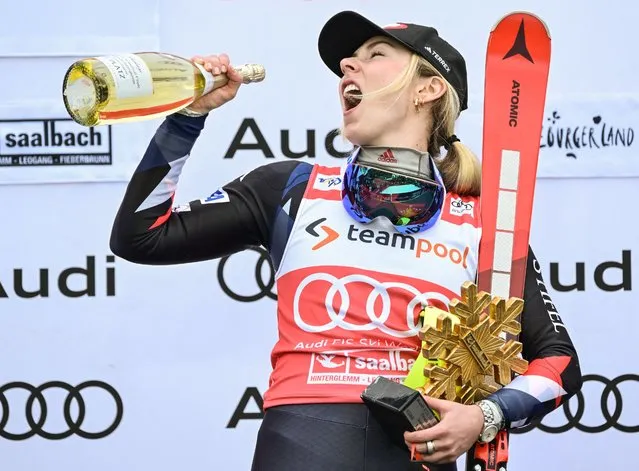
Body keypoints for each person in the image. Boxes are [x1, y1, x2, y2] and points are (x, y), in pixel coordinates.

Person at [110, 10, 582, 471]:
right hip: (300, 436)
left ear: (429, 88)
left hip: (418, 448)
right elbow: (141, 236)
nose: (346, 68)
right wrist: (189, 116)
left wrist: (485, 416)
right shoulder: (290, 187)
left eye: (374, 54)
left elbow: (558, 361)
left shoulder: (481, 217)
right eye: (347, 61)